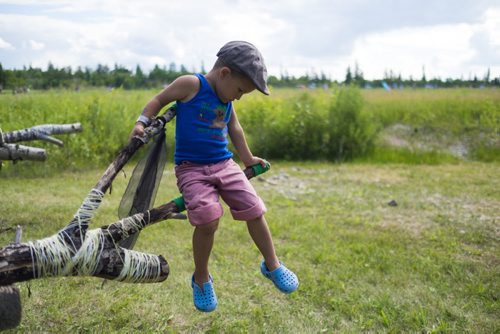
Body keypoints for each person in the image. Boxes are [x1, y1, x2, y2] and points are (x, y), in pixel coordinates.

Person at [130, 41, 298, 312]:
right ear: (224, 73)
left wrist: (247, 159)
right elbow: (158, 100)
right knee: (208, 219)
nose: (239, 97)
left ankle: (272, 264)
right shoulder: (190, 85)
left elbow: (235, 129)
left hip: (224, 164)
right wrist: (141, 122)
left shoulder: (227, 97)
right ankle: (201, 279)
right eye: (241, 90)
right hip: (191, 169)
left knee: (254, 209)